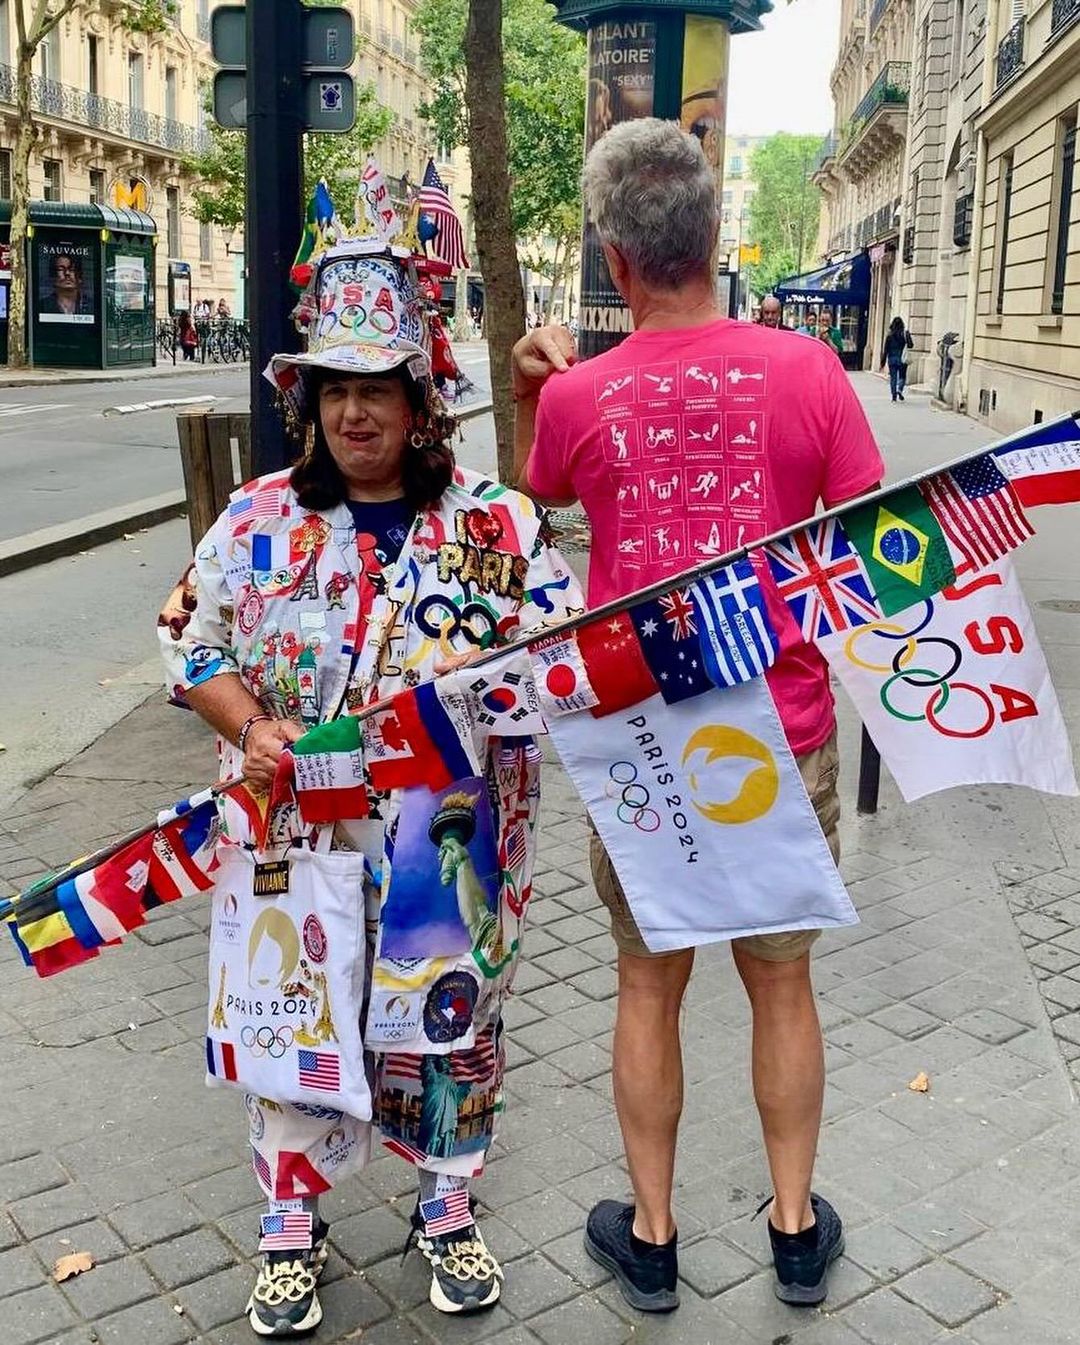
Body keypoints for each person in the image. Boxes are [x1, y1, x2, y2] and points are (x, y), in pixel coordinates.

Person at [158, 243, 582, 1336]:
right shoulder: (256, 521)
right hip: (293, 836)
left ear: (419, 402)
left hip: (442, 839)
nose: (356, 413)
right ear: (311, 403)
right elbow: (188, 644)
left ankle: (445, 1207)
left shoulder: (497, 524)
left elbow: (564, 655)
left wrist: (484, 688)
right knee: (294, 1011)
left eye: (377, 390)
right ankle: (291, 1229)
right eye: (336, 390)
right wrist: (250, 729)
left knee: (450, 1022)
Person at [513, 119, 883, 1315]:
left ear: (616, 262)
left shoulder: (579, 395)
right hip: (779, 724)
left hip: (640, 736)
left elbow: (545, 487)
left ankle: (657, 1234)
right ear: (717, 238)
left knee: (643, 984)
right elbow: (867, 528)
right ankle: (791, 1228)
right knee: (781, 986)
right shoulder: (810, 371)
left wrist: (542, 384)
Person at [39, 251, 93, 317]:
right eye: (61, 269)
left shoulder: (92, 306)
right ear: (53, 276)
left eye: (72, 269)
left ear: (80, 277)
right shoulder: (42, 306)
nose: (67, 273)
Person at [881, 315, 914, 402]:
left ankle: (894, 395)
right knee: (902, 376)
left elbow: (886, 350)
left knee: (893, 378)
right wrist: (907, 337)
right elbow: (911, 345)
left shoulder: (889, 335)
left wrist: (882, 362)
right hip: (902, 359)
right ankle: (900, 389)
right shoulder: (904, 334)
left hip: (891, 359)